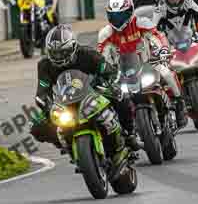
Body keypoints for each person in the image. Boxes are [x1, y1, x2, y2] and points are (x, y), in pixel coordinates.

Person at [29, 24, 131, 175]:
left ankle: (130, 132)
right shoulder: (44, 65)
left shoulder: (88, 54)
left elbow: (109, 71)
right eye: (54, 53)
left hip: (93, 93)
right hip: (65, 102)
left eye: (62, 52)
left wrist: (111, 83)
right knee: (36, 126)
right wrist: (45, 104)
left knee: (120, 95)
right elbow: (42, 91)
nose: (58, 57)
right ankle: (65, 145)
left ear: (72, 47)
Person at [98, 0, 187, 129]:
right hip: (122, 71)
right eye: (114, 16)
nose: (118, 20)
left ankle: (179, 103)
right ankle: (124, 129)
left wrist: (163, 50)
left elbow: (157, 36)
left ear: (130, 12)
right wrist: (102, 70)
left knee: (167, 74)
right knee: (110, 97)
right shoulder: (105, 33)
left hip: (149, 62)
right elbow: (101, 56)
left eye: (121, 15)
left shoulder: (141, 22)